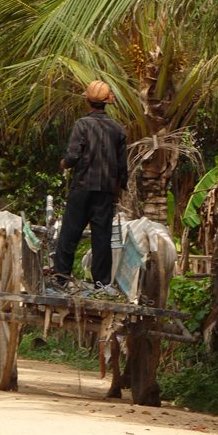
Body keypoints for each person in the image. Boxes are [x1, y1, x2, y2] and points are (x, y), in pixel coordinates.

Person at [53, 80, 128, 289]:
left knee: (70, 233)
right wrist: (119, 189)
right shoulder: (118, 130)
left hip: (83, 187)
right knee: (102, 237)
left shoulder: (82, 125)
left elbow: (73, 155)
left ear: (88, 101)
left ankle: (61, 278)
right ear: (107, 102)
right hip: (105, 191)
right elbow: (123, 167)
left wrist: (65, 163)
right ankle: (101, 284)